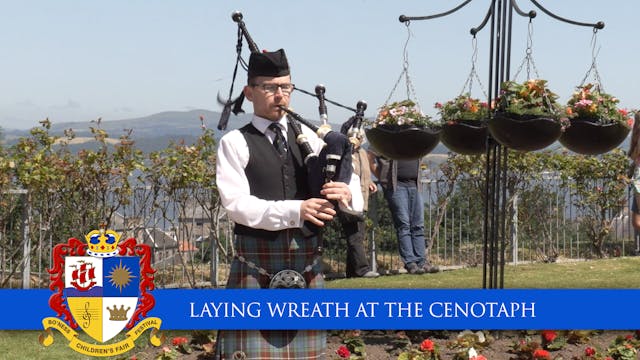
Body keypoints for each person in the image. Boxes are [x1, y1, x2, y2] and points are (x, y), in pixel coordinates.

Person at [215, 48, 362, 359]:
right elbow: (237, 205)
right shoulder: (235, 142)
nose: (279, 95)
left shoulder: (312, 137)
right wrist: (297, 210)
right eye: (269, 87)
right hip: (255, 268)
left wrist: (346, 194)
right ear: (249, 92)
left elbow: (351, 184)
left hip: (306, 265)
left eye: (286, 87)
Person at [368, 153, 439, 275]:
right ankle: (410, 263)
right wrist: (384, 178)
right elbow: (369, 156)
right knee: (404, 225)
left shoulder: (412, 137)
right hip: (397, 187)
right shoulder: (385, 136)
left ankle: (422, 262)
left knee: (418, 225)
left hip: (415, 185)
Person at [339, 118, 379, 278]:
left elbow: (362, 172)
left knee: (357, 235)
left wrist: (369, 181)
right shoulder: (345, 152)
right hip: (348, 200)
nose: (359, 141)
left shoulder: (362, 152)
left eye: (361, 139)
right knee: (355, 235)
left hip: (361, 199)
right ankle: (362, 269)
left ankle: (352, 271)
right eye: (357, 138)